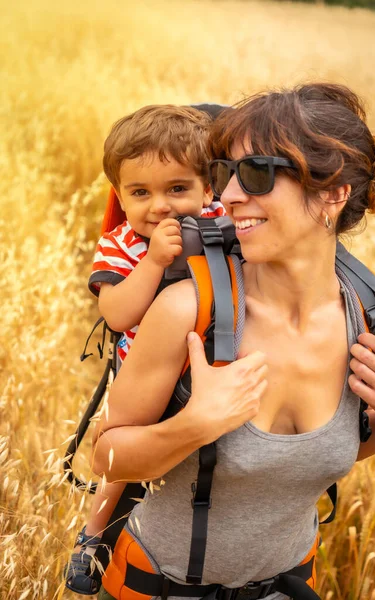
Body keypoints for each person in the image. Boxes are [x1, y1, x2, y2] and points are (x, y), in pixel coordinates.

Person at [92, 84, 375, 600]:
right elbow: (108, 458)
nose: (229, 196)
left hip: (290, 587)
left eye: (256, 174)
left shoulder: (371, 321)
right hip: (156, 589)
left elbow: (314, 456)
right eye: (223, 174)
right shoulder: (190, 310)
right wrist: (194, 426)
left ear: (332, 193)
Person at [65, 104, 225, 595]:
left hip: (212, 361)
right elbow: (117, 315)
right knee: (121, 458)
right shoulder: (121, 245)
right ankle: (92, 538)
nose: (161, 206)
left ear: (209, 189)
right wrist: (154, 261)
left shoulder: (223, 219)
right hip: (143, 373)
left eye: (178, 189)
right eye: (140, 193)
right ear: (120, 196)